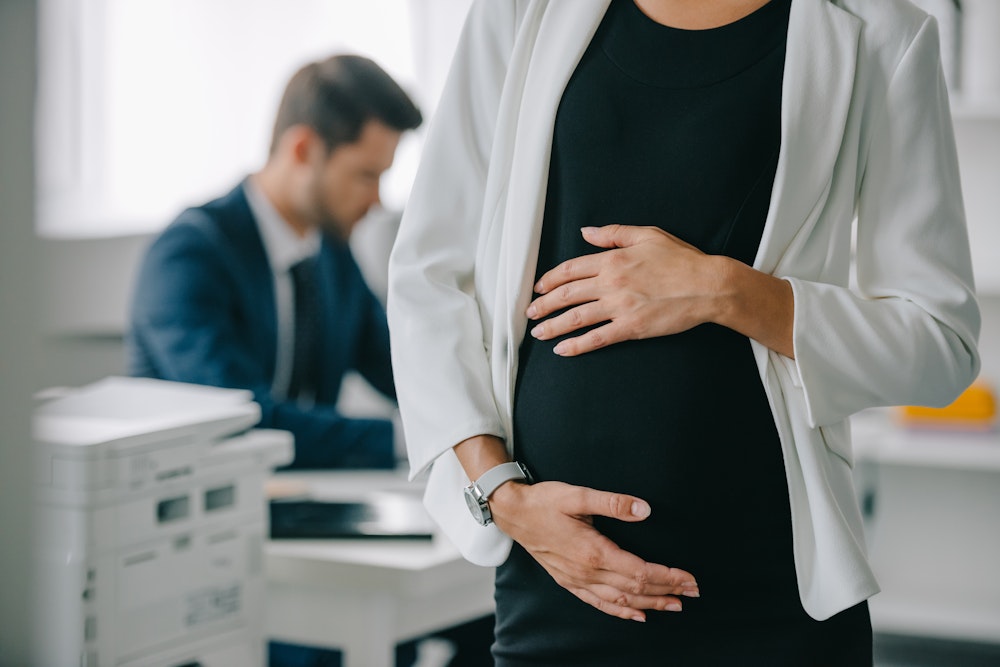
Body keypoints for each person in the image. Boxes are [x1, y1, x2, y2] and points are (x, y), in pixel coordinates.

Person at [387, 1, 981, 665]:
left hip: (770, 598)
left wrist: (723, 290)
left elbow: (940, 341)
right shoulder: (520, 10)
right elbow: (429, 279)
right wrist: (499, 493)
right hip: (559, 583)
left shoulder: (883, 34)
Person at [128, 54, 421, 470]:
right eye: (365, 175)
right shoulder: (189, 255)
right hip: (194, 506)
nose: (377, 202)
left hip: (304, 499)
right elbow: (242, 419)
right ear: (302, 150)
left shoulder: (331, 255)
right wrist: (406, 437)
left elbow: (399, 367)